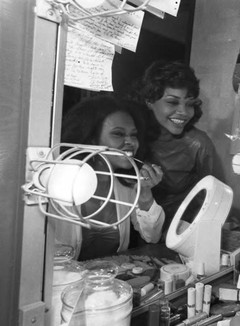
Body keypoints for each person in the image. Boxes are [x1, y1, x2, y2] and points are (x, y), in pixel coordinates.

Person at [56, 95, 165, 261]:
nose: (130, 142)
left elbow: (152, 237)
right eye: (118, 134)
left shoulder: (127, 184)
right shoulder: (60, 183)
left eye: (133, 135)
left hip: (110, 281)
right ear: (91, 138)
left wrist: (145, 195)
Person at [130, 61, 216, 234]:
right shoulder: (132, 138)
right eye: (172, 102)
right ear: (149, 101)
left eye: (190, 104)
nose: (183, 112)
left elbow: (210, 199)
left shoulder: (198, 143)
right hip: (125, 234)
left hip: (173, 236)